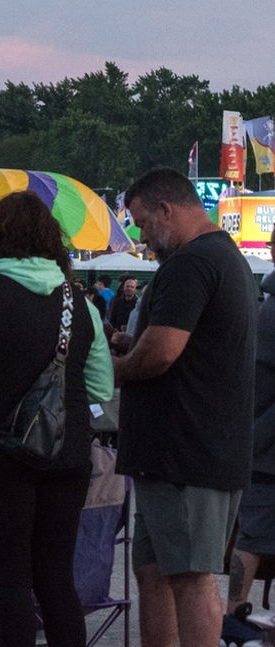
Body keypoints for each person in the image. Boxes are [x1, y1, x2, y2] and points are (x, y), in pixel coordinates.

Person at [0, 192, 113, 647]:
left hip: (4, 454)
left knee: (11, 583)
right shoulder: (81, 303)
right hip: (69, 454)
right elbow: (99, 387)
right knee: (57, 580)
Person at [114, 167, 256, 647]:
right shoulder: (223, 256)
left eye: (140, 222)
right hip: (180, 454)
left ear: (165, 210)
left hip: (185, 454)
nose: (140, 235)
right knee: (154, 573)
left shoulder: (191, 264)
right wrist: (131, 343)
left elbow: (162, 353)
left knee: (191, 577)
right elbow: (187, 348)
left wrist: (110, 368)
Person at [227, 228, 275, 622]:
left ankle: (233, 615)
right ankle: (232, 615)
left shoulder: (267, 304)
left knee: (253, 534)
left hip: (262, 439)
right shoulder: (270, 306)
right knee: (253, 534)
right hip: (265, 443)